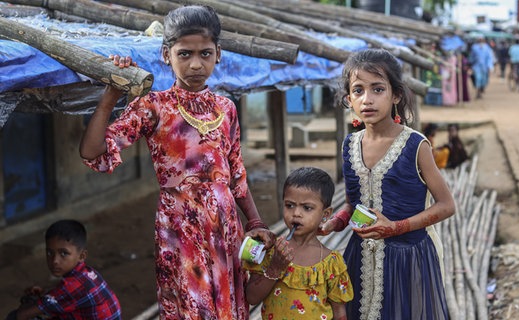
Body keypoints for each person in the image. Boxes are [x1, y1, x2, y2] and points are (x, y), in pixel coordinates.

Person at [79, 5, 273, 319]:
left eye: (205, 53)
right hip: (181, 225)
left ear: (218, 53)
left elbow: (236, 174)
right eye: (185, 54)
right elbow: (92, 152)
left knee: (228, 305)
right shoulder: (153, 107)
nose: (196, 64)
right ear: (166, 54)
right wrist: (111, 96)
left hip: (225, 225)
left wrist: (255, 221)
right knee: (192, 305)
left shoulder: (227, 109)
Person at [321, 49, 456, 319]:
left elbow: (446, 205)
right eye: (358, 91)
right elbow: (352, 202)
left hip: (409, 257)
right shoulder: (350, 145)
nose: (367, 99)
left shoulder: (416, 145)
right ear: (349, 99)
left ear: (395, 95)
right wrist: (333, 223)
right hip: (361, 256)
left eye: (378, 89)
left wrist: (396, 228)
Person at [244, 167, 354, 320]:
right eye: (289, 205)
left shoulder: (332, 264)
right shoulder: (269, 250)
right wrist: (274, 269)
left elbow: (339, 312)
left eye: (307, 208)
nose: (296, 213)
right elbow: (251, 297)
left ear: (325, 214)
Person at [6, 220, 121, 320]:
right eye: (50, 253)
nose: (55, 260)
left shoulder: (71, 287)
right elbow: (66, 293)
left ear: (82, 255)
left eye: (64, 253)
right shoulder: (88, 273)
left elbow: (23, 315)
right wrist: (45, 294)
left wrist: (27, 307)